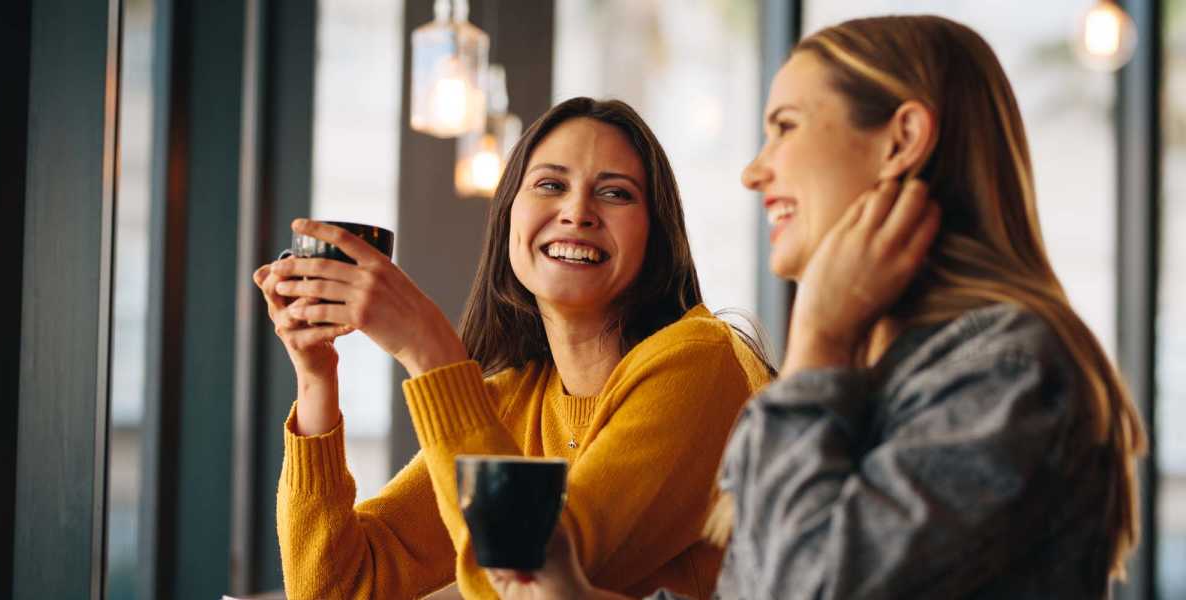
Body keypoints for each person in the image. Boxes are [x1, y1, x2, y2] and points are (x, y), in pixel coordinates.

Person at [485, 15, 1147, 600]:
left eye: (785, 128)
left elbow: (806, 587)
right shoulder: (892, 369)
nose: (754, 171)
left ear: (901, 139)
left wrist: (818, 341)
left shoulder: (1005, 368)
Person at [252, 97, 773, 599]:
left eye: (615, 193)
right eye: (550, 184)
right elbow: (336, 590)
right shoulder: (511, 403)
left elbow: (535, 579)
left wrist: (429, 350)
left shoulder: (697, 362)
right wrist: (316, 377)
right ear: (507, 222)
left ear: (656, 237)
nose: (577, 211)